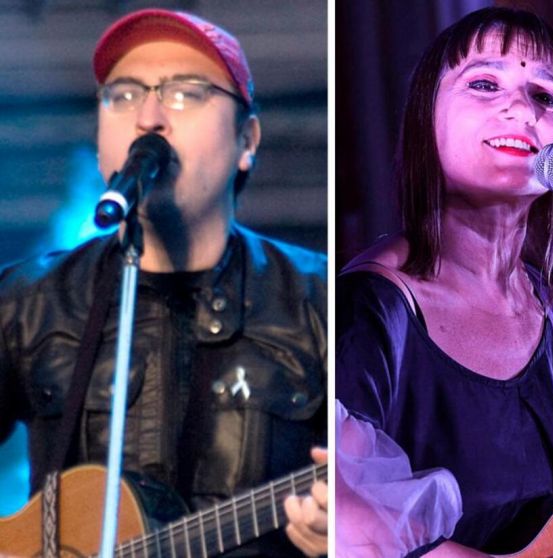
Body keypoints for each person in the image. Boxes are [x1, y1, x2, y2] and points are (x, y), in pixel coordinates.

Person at [0, 9, 327, 557]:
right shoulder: (28, 301)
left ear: (248, 139)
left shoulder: (323, 304)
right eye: (123, 94)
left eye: (186, 93)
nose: (148, 116)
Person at [335, 7, 553, 557]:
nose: (519, 109)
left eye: (545, 97)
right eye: (484, 84)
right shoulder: (370, 312)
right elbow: (352, 531)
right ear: (425, 119)